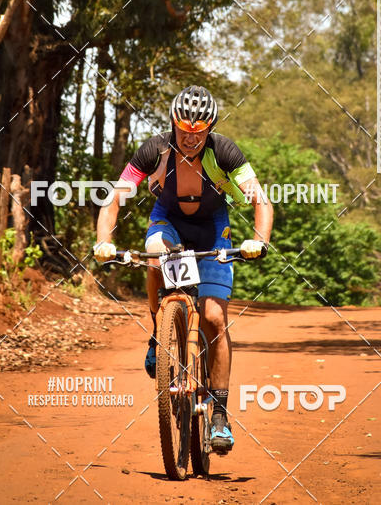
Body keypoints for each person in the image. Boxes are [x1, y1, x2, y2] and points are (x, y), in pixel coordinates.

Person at [93, 85, 273, 454]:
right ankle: (159, 331)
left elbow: (261, 200)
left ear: (210, 129)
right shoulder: (153, 151)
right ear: (173, 125)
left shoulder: (224, 152)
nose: (191, 138)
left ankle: (220, 415)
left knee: (214, 319)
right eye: (184, 130)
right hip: (169, 222)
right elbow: (113, 200)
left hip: (212, 228)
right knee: (153, 251)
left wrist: (259, 240)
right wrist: (102, 242)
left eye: (199, 131)